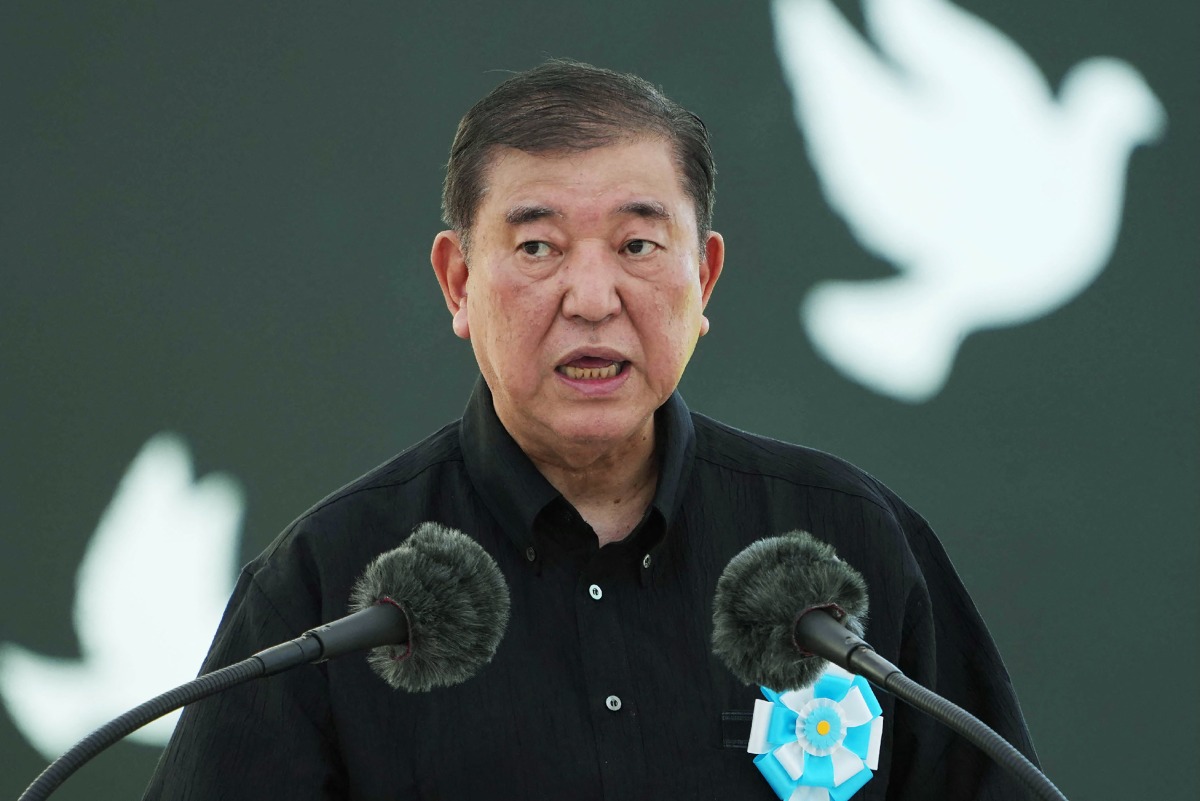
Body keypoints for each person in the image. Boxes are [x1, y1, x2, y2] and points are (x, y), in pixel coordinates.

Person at [144, 59, 1037, 800]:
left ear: (705, 279)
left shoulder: (853, 544)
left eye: (638, 246)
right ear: (458, 283)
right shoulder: (332, 587)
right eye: (538, 248)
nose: (593, 297)